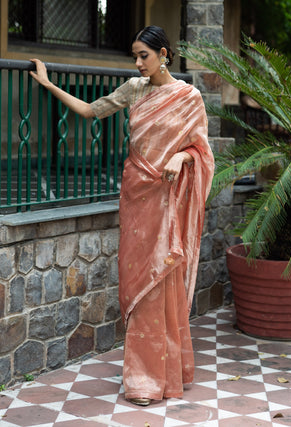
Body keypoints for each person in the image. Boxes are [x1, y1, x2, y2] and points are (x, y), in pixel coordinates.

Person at [30, 25, 214, 406]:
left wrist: (182, 156)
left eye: (143, 56)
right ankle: (149, 372)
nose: (137, 63)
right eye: (135, 56)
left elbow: (202, 151)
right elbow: (89, 110)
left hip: (165, 200)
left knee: (159, 279)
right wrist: (48, 85)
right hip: (135, 196)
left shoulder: (188, 97)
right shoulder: (133, 90)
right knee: (136, 281)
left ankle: (152, 379)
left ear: (164, 54)